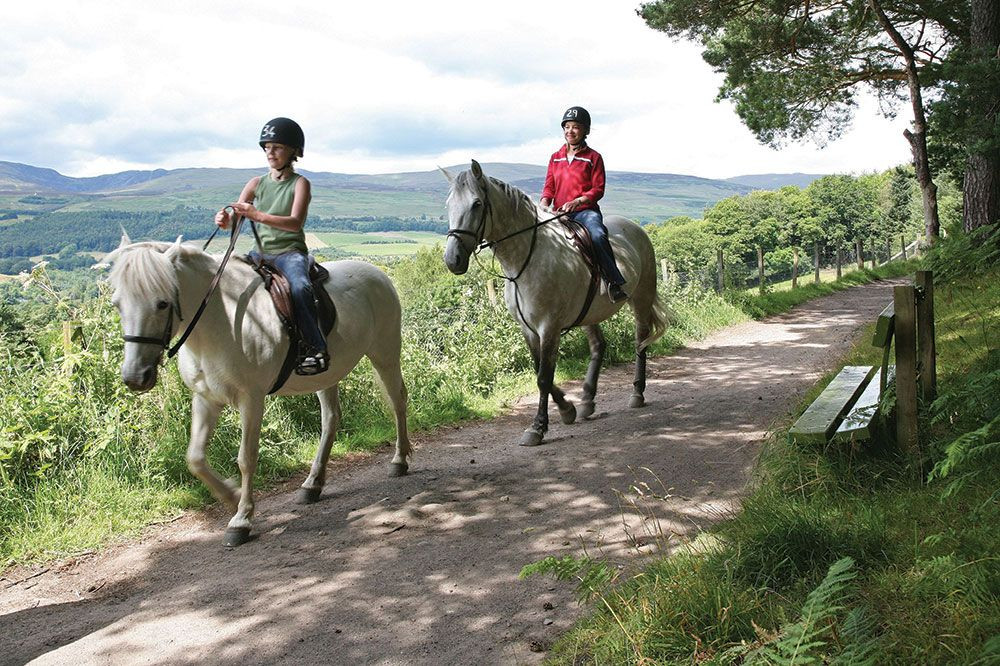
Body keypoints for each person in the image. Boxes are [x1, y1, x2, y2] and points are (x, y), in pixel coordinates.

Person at [214, 117, 328, 375]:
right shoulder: (255, 183)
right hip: (259, 255)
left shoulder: (300, 184)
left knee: (300, 287)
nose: (270, 152)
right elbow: (236, 217)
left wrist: (257, 215)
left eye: (277, 147)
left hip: (290, 254)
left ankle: (316, 349)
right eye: (267, 147)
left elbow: (295, 223)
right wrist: (225, 219)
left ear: (293, 151)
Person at [540, 106, 628, 303]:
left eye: (576, 127)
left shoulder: (593, 158)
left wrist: (577, 201)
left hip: (585, 213)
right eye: (567, 127)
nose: (570, 131)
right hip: (558, 214)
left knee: (597, 235)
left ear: (586, 131)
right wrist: (544, 204)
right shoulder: (555, 157)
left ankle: (613, 281)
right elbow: (549, 187)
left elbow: (598, 189)